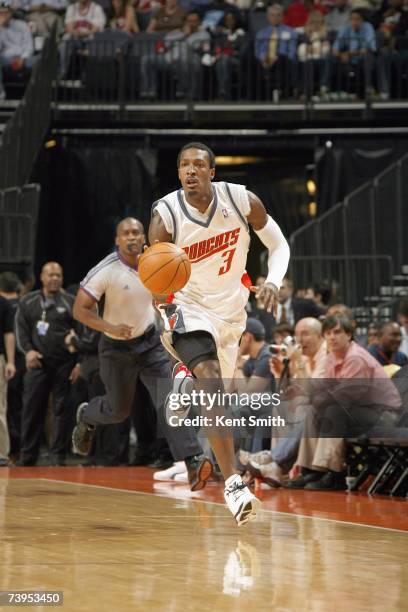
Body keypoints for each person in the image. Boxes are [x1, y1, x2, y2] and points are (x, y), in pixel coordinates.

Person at [148, 141, 290, 525]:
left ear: (212, 172)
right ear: (178, 173)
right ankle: (233, 484)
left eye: (198, 165)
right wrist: (167, 311)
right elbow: (155, 279)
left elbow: (278, 245)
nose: (190, 170)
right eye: (183, 165)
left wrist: (273, 281)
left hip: (231, 312)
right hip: (187, 307)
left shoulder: (242, 201)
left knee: (215, 394)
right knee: (209, 378)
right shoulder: (165, 215)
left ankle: (183, 379)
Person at [72, 217, 212, 492]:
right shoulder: (106, 270)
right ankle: (88, 415)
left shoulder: (157, 263)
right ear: (117, 240)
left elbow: (165, 300)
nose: (133, 237)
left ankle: (193, 459)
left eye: (137, 232)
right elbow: (80, 310)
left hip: (149, 343)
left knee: (169, 398)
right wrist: (110, 326)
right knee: (118, 410)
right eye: (126, 233)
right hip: (115, 347)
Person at [288, 315, 401, 490]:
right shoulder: (332, 357)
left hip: (384, 415)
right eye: (328, 333)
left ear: (348, 335)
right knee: (312, 410)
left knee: (334, 410)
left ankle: (334, 474)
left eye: (337, 332)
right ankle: (310, 469)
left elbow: (343, 398)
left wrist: (317, 397)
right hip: (359, 411)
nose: (332, 337)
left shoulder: (356, 358)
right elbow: (321, 390)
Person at [243, 316, 327, 486]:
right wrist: (280, 375)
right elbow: (288, 395)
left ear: (320, 336)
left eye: (305, 334)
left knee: (297, 411)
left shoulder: (324, 355)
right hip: (308, 408)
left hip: (327, 411)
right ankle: (276, 469)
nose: (300, 340)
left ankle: (271, 460)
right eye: (297, 335)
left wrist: (297, 364)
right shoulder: (302, 357)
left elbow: (310, 395)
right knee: (279, 408)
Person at [15, 262, 80, 466]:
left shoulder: (71, 302)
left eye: (58, 275)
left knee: (62, 411)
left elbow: (81, 331)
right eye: (50, 275)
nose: (54, 279)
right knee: (32, 409)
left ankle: (58, 455)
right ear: (42, 277)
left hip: (64, 364)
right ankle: (28, 455)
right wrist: (29, 351)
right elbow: (21, 330)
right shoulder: (29, 301)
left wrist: (78, 362)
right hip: (38, 363)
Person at [255, 4, 298, 100]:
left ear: (282, 16)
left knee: (282, 60)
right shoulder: (261, 33)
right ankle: (255, 96)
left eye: (278, 15)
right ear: (268, 17)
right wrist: (263, 58)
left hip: (283, 62)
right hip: (264, 61)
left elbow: (292, 52)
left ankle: (282, 93)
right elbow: (257, 51)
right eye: (272, 15)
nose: (275, 18)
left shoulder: (291, 32)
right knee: (251, 61)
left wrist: (276, 58)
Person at [0, 0, 37, 99]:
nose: (3, 15)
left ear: (11, 13)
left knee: (40, 60)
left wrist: (23, 59)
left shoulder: (21, 25)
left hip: (24, 59)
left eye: (6, 12)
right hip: (6, 60)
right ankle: (1, 93)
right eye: (1, 13)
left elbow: (29, 46)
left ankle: (34, 96)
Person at [0, 293, 16, 466]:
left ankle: (1, 454)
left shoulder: (3, 303)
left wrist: (10, 361)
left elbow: (9, 333)